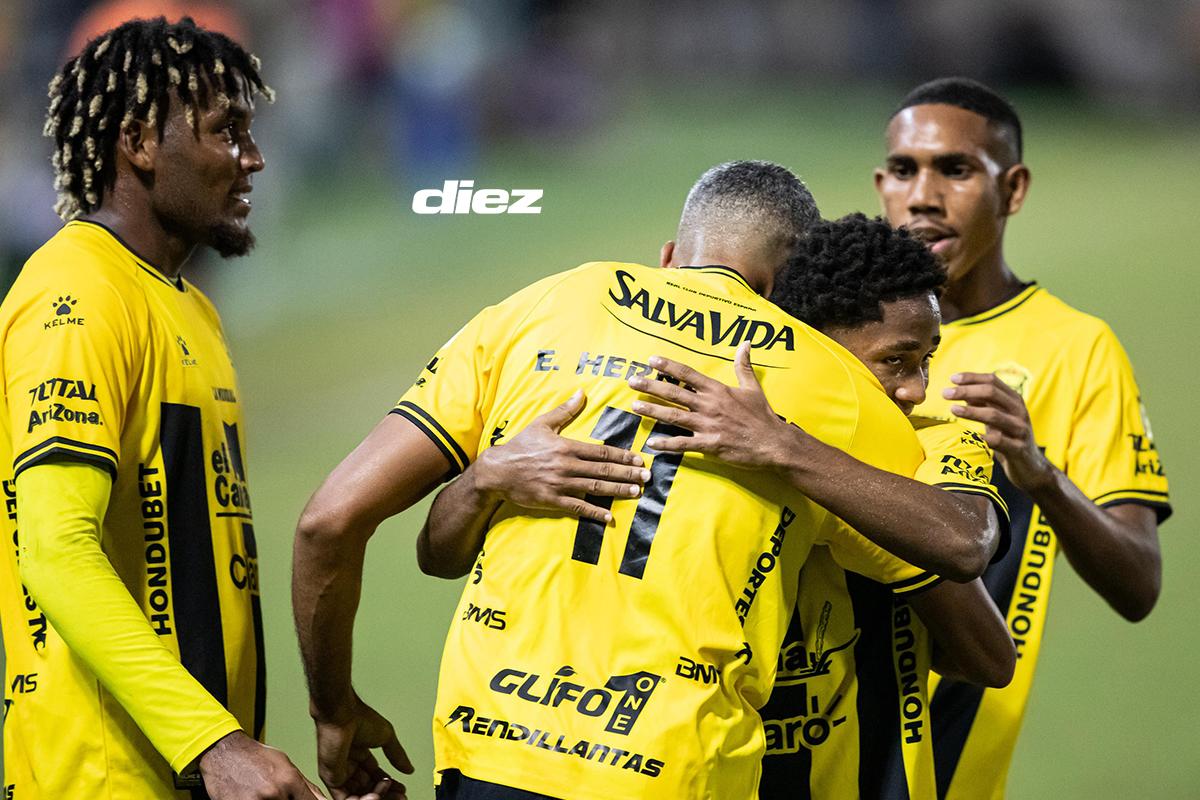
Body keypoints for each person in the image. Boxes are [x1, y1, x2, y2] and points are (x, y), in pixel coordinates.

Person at [292, 161, 992, 799]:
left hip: (490, 755)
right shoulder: (829, 385)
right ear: (784, 291)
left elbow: (336, 523)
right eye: (905, 361)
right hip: (681, 767)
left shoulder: (540, 307)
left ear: (668, 258)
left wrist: (332, 709)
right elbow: (968, 578)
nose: (916, 388)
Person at [0, 17, 322, 800]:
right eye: (227, 132)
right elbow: (58, 551)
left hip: (185, 771)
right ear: (141, 142)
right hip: (100, 777)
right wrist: (212, 742)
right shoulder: (75, 295)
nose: (254, 158)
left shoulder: (188, 311)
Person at [874, 77, 1172, 799]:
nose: (923, 196)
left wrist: (1042, 477)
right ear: (881, 184)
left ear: (1013, 189)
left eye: (956, 169)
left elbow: (1138, 584)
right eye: (906, 171)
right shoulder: (840, 322)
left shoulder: (1075, 349)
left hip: (949, 762)